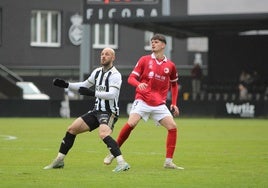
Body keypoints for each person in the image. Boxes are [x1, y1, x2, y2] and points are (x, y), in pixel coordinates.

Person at [103, 34, 184, 170]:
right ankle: (113, 152)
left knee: (172, 127)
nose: (153, 44)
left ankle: (168, 162)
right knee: (131, 123)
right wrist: (138, 84)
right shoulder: (144, 60)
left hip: (159, 104)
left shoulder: (170, 65)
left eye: (156, 42)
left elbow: (174, 85)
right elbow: (131, 79)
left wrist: (174, 103)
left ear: (163, 45)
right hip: (143, 100)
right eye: (151, 42)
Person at [43, 48, 130, 172]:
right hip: (96, 111)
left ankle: (122, 163)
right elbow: (84, 85)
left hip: (109, 112)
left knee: (103, 133)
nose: (103, 56)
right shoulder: (97, 72)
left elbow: (112, 94)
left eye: (107, 54)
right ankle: (59, 160)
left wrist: (93, 93)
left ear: (113, 58)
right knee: (71, 129)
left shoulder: (115, 75)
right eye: (102, 54)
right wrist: (67, 85)